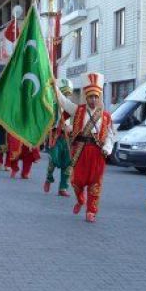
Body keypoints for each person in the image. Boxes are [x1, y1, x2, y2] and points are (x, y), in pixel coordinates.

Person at [55, 72, 113, 223]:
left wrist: (107, 148)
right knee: (76, 182)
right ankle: (81, 199)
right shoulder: (78, 110)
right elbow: (63, 103)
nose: (93, 99)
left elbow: (110, 136)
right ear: (86, 97)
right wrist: (54, 86)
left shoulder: (106, 116)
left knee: (95, 184)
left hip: (97, 153)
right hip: (80, 151)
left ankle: (91, 211)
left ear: (99, 97)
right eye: (90, 97)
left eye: (95, 97)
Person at [44, 79, 74, 195]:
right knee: (54, 160)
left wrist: (71, 127)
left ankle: (63, 188)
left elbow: (76, 121)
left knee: (68, 163)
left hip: (67, 137)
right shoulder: (52, 104)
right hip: (56, 135)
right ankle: (48, 178)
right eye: (65, 94)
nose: (67, 96)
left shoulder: (70, 107)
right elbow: (49, 121)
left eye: (68, 94)